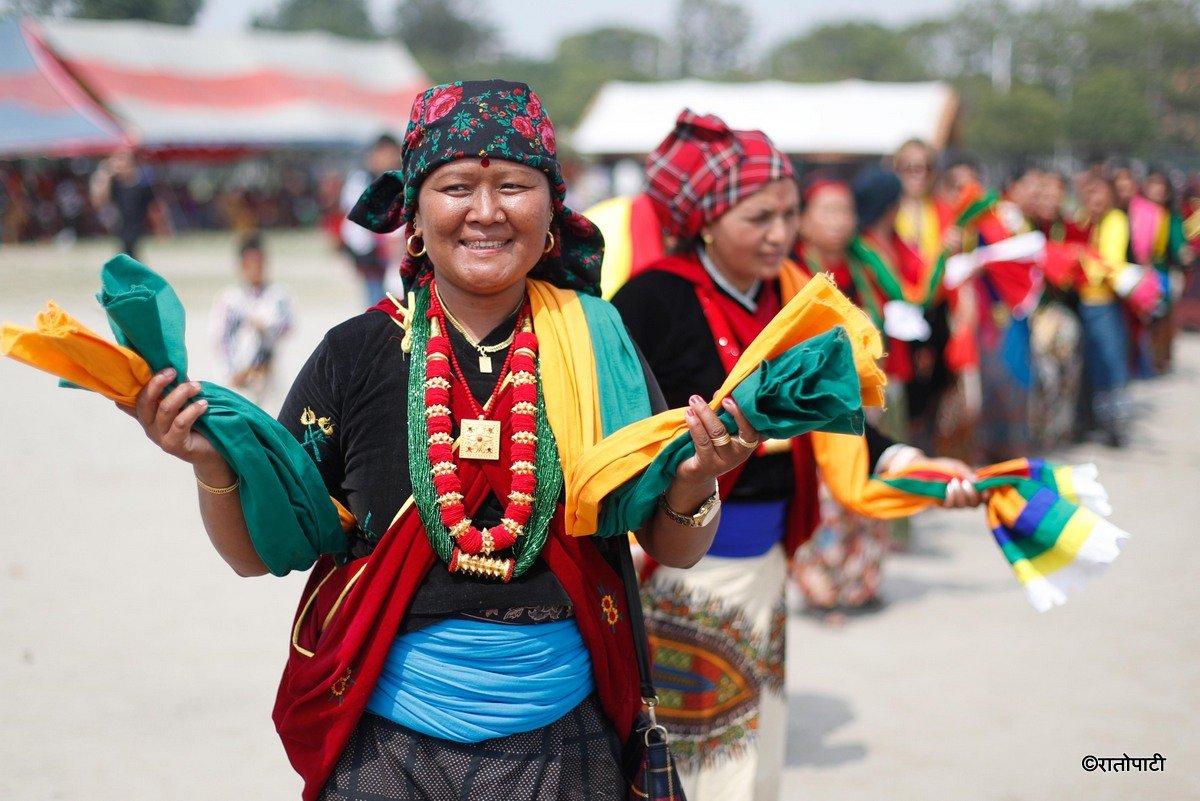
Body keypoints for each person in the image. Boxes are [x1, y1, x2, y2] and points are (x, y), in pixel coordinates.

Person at [126, 79, 761, 801]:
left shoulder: (598, 344)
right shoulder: (354, 355)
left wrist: (694, 480)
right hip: (385, 750)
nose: (486, 212)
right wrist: (212, 467)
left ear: (552, 214)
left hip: (564, 745)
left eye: (515, 186)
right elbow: (256, 553)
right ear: (415, 220)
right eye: (457, 186)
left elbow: (671, 545)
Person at [611, 111, 979, 801]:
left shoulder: (795, 296)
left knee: (757, 732)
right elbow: (623, 432)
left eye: (789, 213)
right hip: (675, 564)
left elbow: (834, 412)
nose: (780, 232)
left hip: (769, 553)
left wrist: (908, 464)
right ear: (708, 220)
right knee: (691, 748)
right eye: (759, 217)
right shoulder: (650, 299)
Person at [209, 234, 295, 405]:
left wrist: (266, 327)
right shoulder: (230, 299)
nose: (256, 268)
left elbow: (289, 326)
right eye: (250, 264)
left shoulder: (278, 295)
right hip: (239, 374)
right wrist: (231, 371)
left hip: (269, 373)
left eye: (260, 263)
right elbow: (220, 337)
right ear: (241, 265)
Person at [340, 133, 403, 306]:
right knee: (377, 308)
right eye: (383, 154)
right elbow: (353, 223)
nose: (388, 159)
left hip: (398, 259)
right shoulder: (360, 182)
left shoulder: (404, 181)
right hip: (372, 260)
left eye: (391, 154)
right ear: (373, 156)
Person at [89, 147, 156, 259]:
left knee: (132, 255)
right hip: (118, 226)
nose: (119, 163)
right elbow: (98, 201)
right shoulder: (113, 184)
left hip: (136, 227)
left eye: (122, 158)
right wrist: (104, 173)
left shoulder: (141, 183)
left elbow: (152, 206)